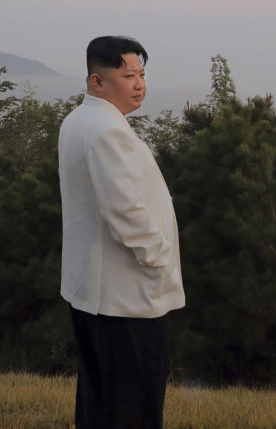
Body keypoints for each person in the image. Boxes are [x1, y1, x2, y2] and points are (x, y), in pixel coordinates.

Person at [58, 36, 185, 429]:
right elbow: (125, 211)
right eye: (128, 75)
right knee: (134, 406)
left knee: (101, 401)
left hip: (95, 293)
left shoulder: (79, 120)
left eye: (142, 74)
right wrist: (159, 259)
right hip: (125, 295)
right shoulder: (107, 131)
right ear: (97, 81)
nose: (139, 84)